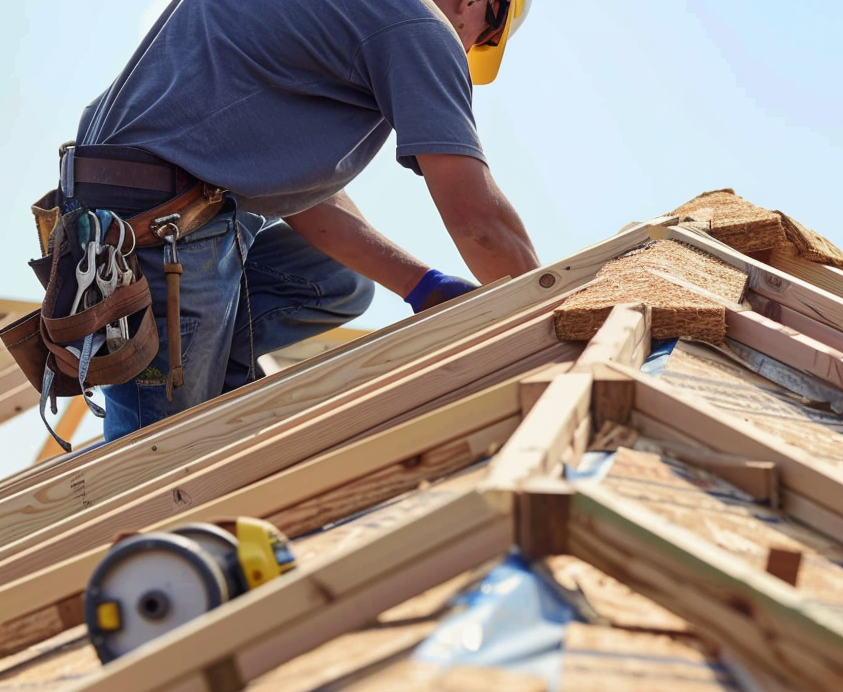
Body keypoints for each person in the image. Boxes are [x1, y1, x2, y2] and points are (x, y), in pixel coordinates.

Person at [62, 0, 540, 441]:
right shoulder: (418, 24)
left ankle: (212, 386)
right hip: (159, 233)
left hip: (137, 207)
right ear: (482, 3)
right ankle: (182, 434)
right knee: (157, 458)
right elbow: (479, 222)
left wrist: (424, 285)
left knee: (339, 281)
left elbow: (302, 198)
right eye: (488, 37)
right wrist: (546, 305)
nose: (471, 47)